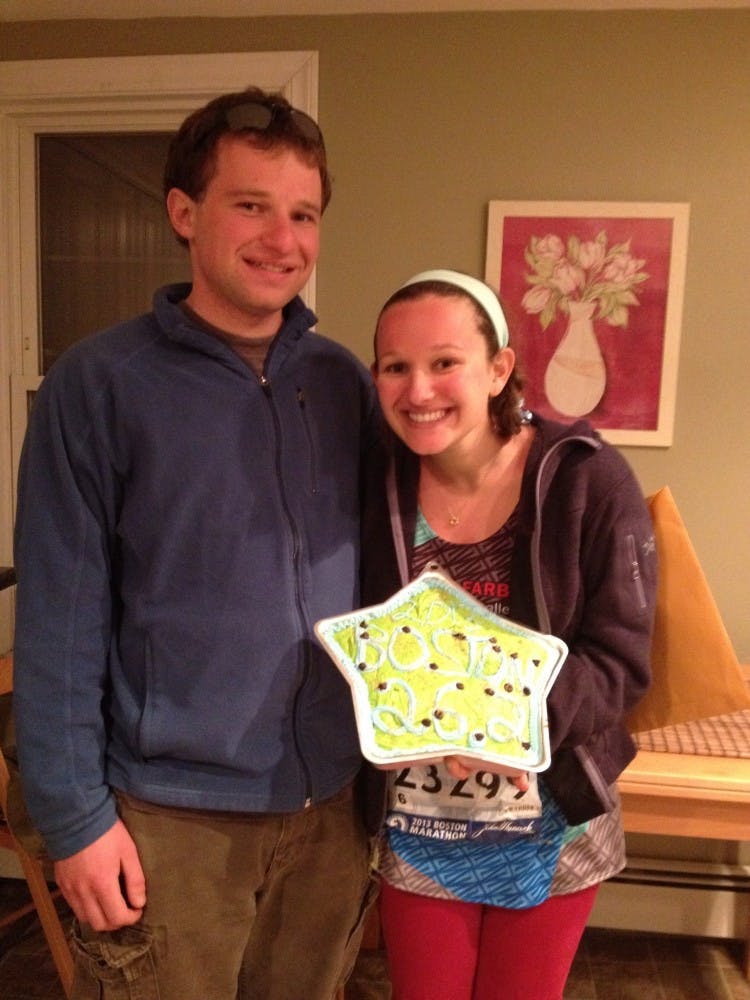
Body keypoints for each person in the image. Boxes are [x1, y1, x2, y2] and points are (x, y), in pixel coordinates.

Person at [12, 86, 381, 999]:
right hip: (166, 824)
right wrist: (73, 821)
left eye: (303, 214)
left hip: (331, 811)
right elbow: (60, 620)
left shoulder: (344, 384)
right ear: (184, 212)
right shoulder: (99, 386)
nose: (281, 239)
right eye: (250, 205)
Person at [364, 269, 658, 1000]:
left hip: (554, 816)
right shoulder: (376, 484)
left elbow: (618, 658)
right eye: (395, 367)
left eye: (444, 362)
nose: (418, 390)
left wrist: (502, 725)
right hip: (419, 821)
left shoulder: (587, 479)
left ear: (498, 369)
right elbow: (363, 641)